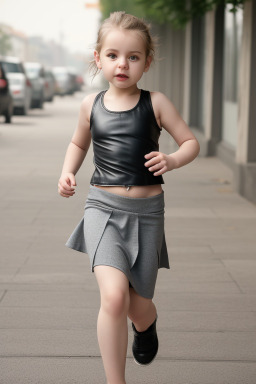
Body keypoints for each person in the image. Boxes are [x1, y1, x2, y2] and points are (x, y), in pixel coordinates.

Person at [58, 11, 200, 384]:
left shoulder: (156, 103)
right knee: (115, 298)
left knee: (138, 305)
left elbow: (191, 143)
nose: (123, 64)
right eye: (113, 55)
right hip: (102, 209)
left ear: (147, 62)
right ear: (98, 58)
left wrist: (171, 159)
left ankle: (147, 324)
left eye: (133, 57)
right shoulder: (91, 105)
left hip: (147, 214)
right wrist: (67, 170)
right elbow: (78, 142)